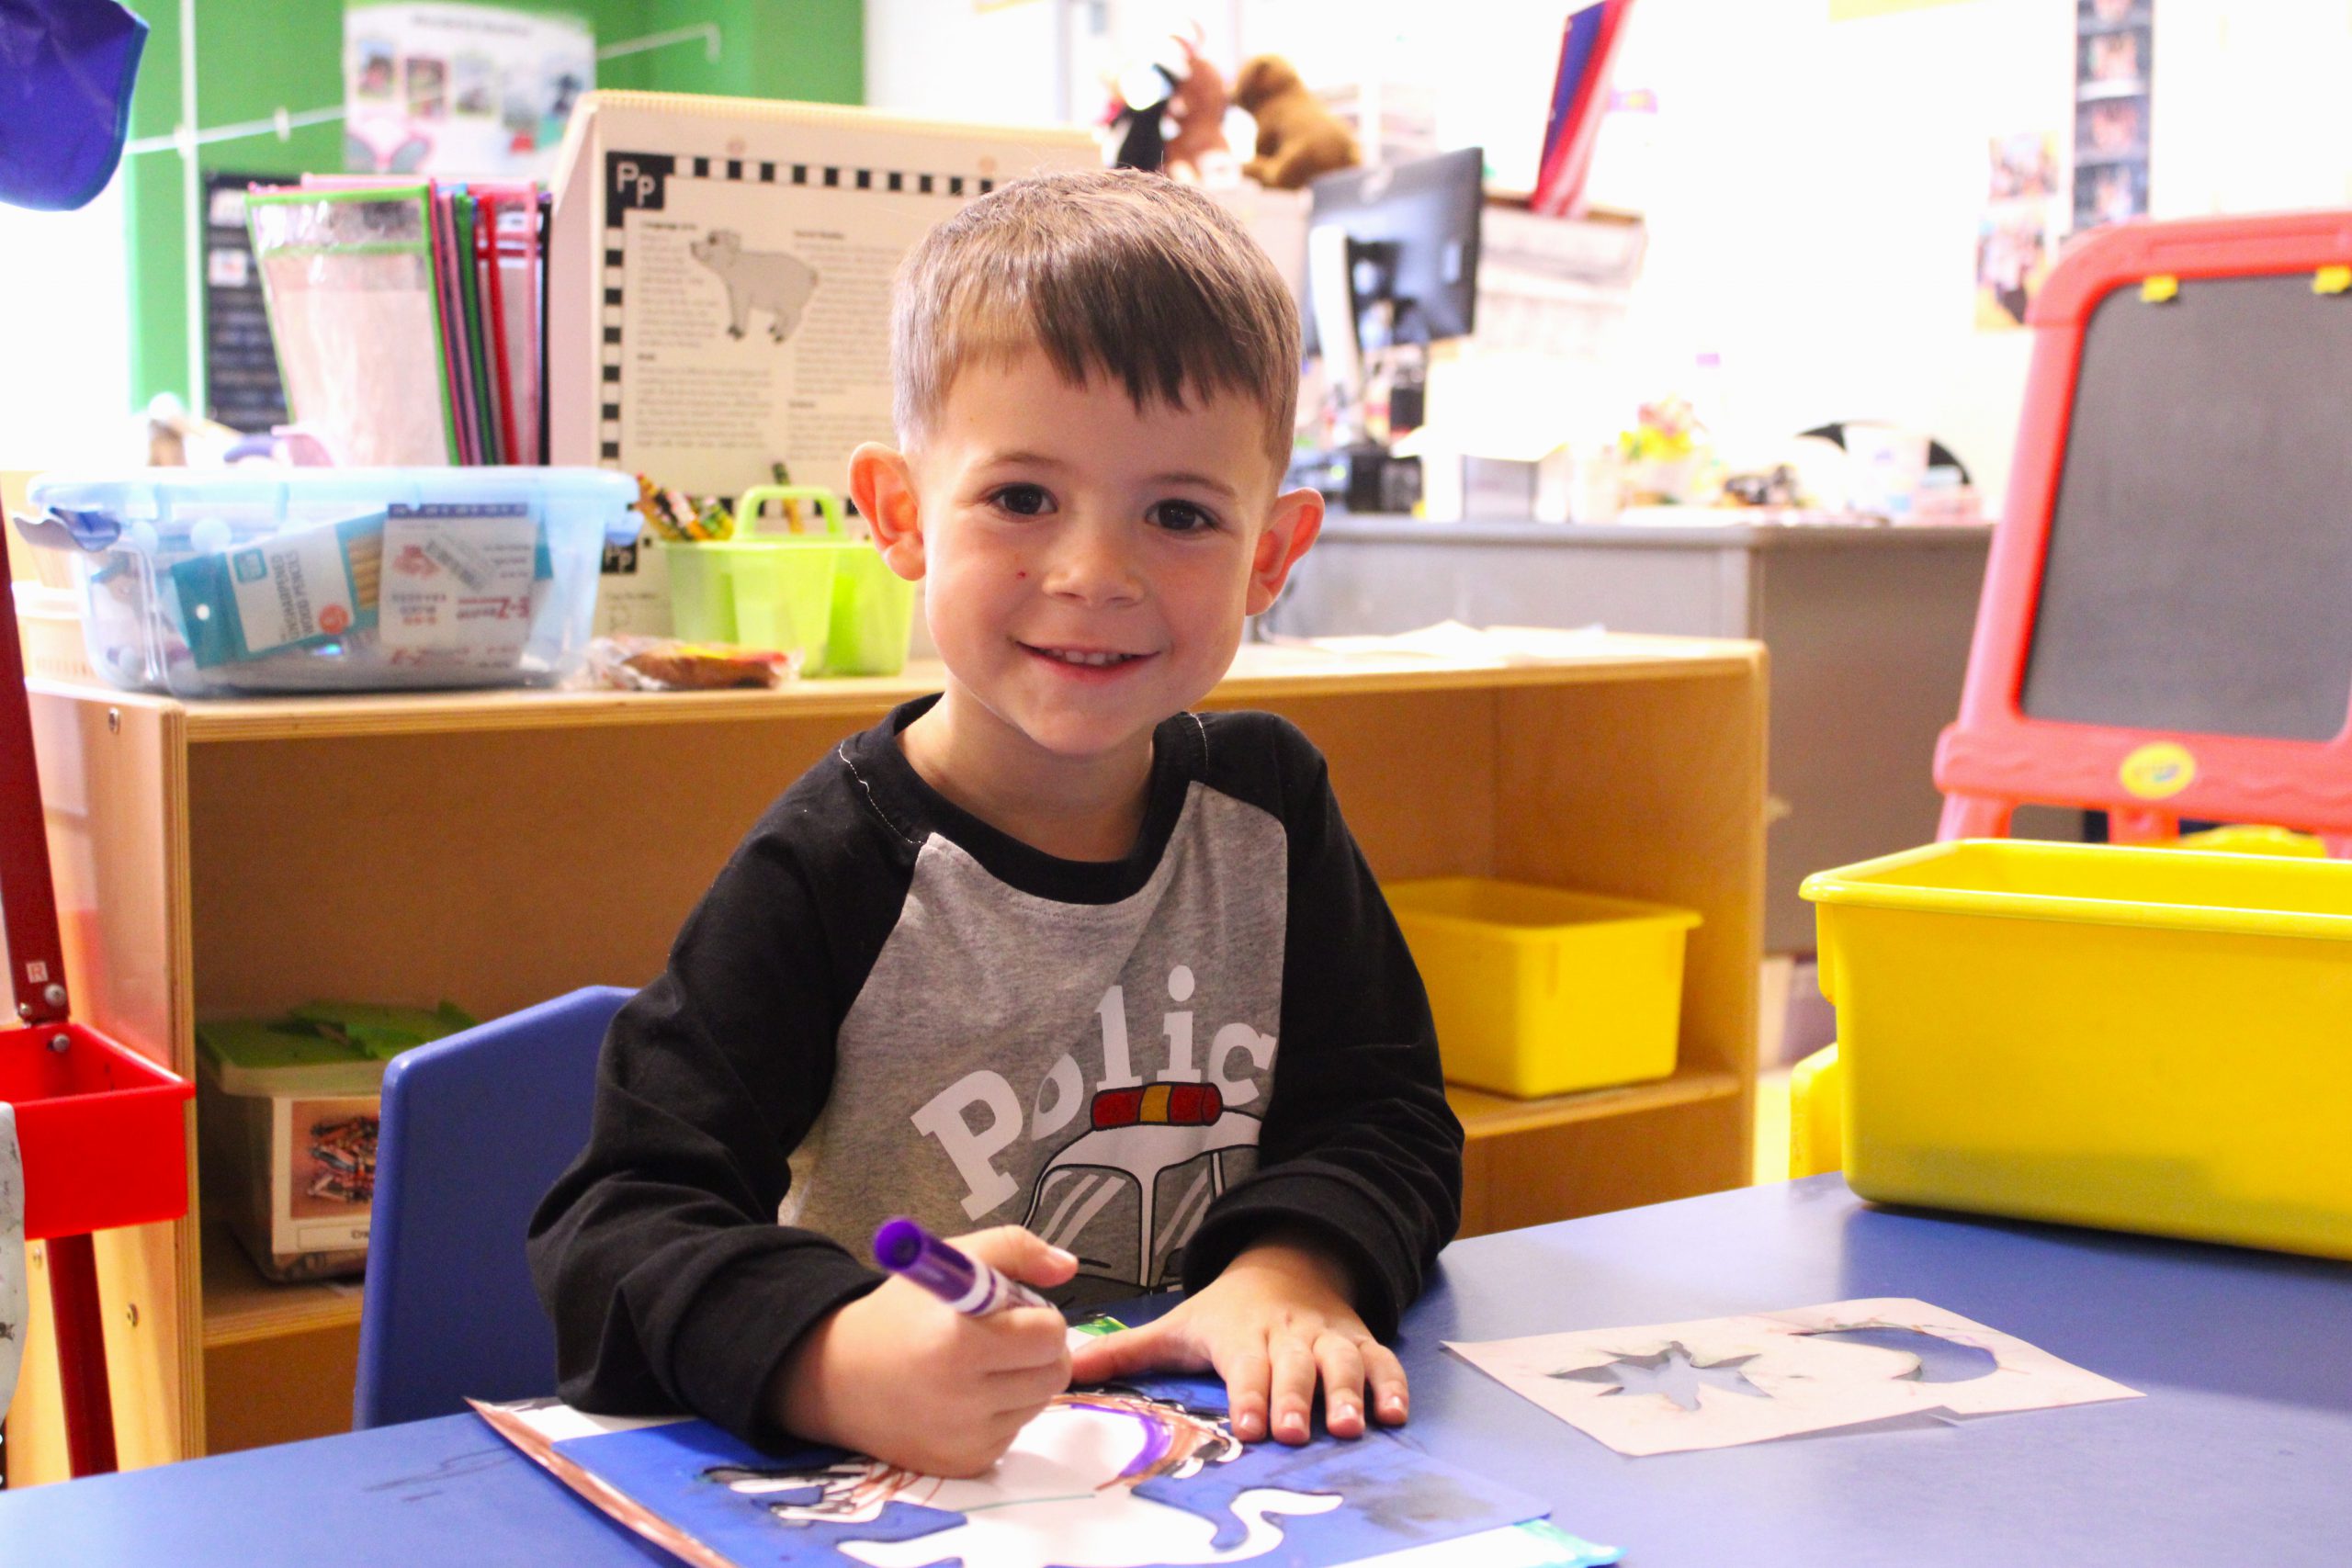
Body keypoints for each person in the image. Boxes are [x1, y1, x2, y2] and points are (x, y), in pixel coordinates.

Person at [528, 167, 1463, 1481]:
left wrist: (1289, 1270)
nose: (1094, 574)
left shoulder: (1269, 810)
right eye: (1022, 498)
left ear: (1272, 553)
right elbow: (617, 1222)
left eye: (1181, 513)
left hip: (1224, 1469)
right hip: (898, 1490)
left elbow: (1385, 1115)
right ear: (901, 515)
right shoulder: (834, 867)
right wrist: (834, 1357)